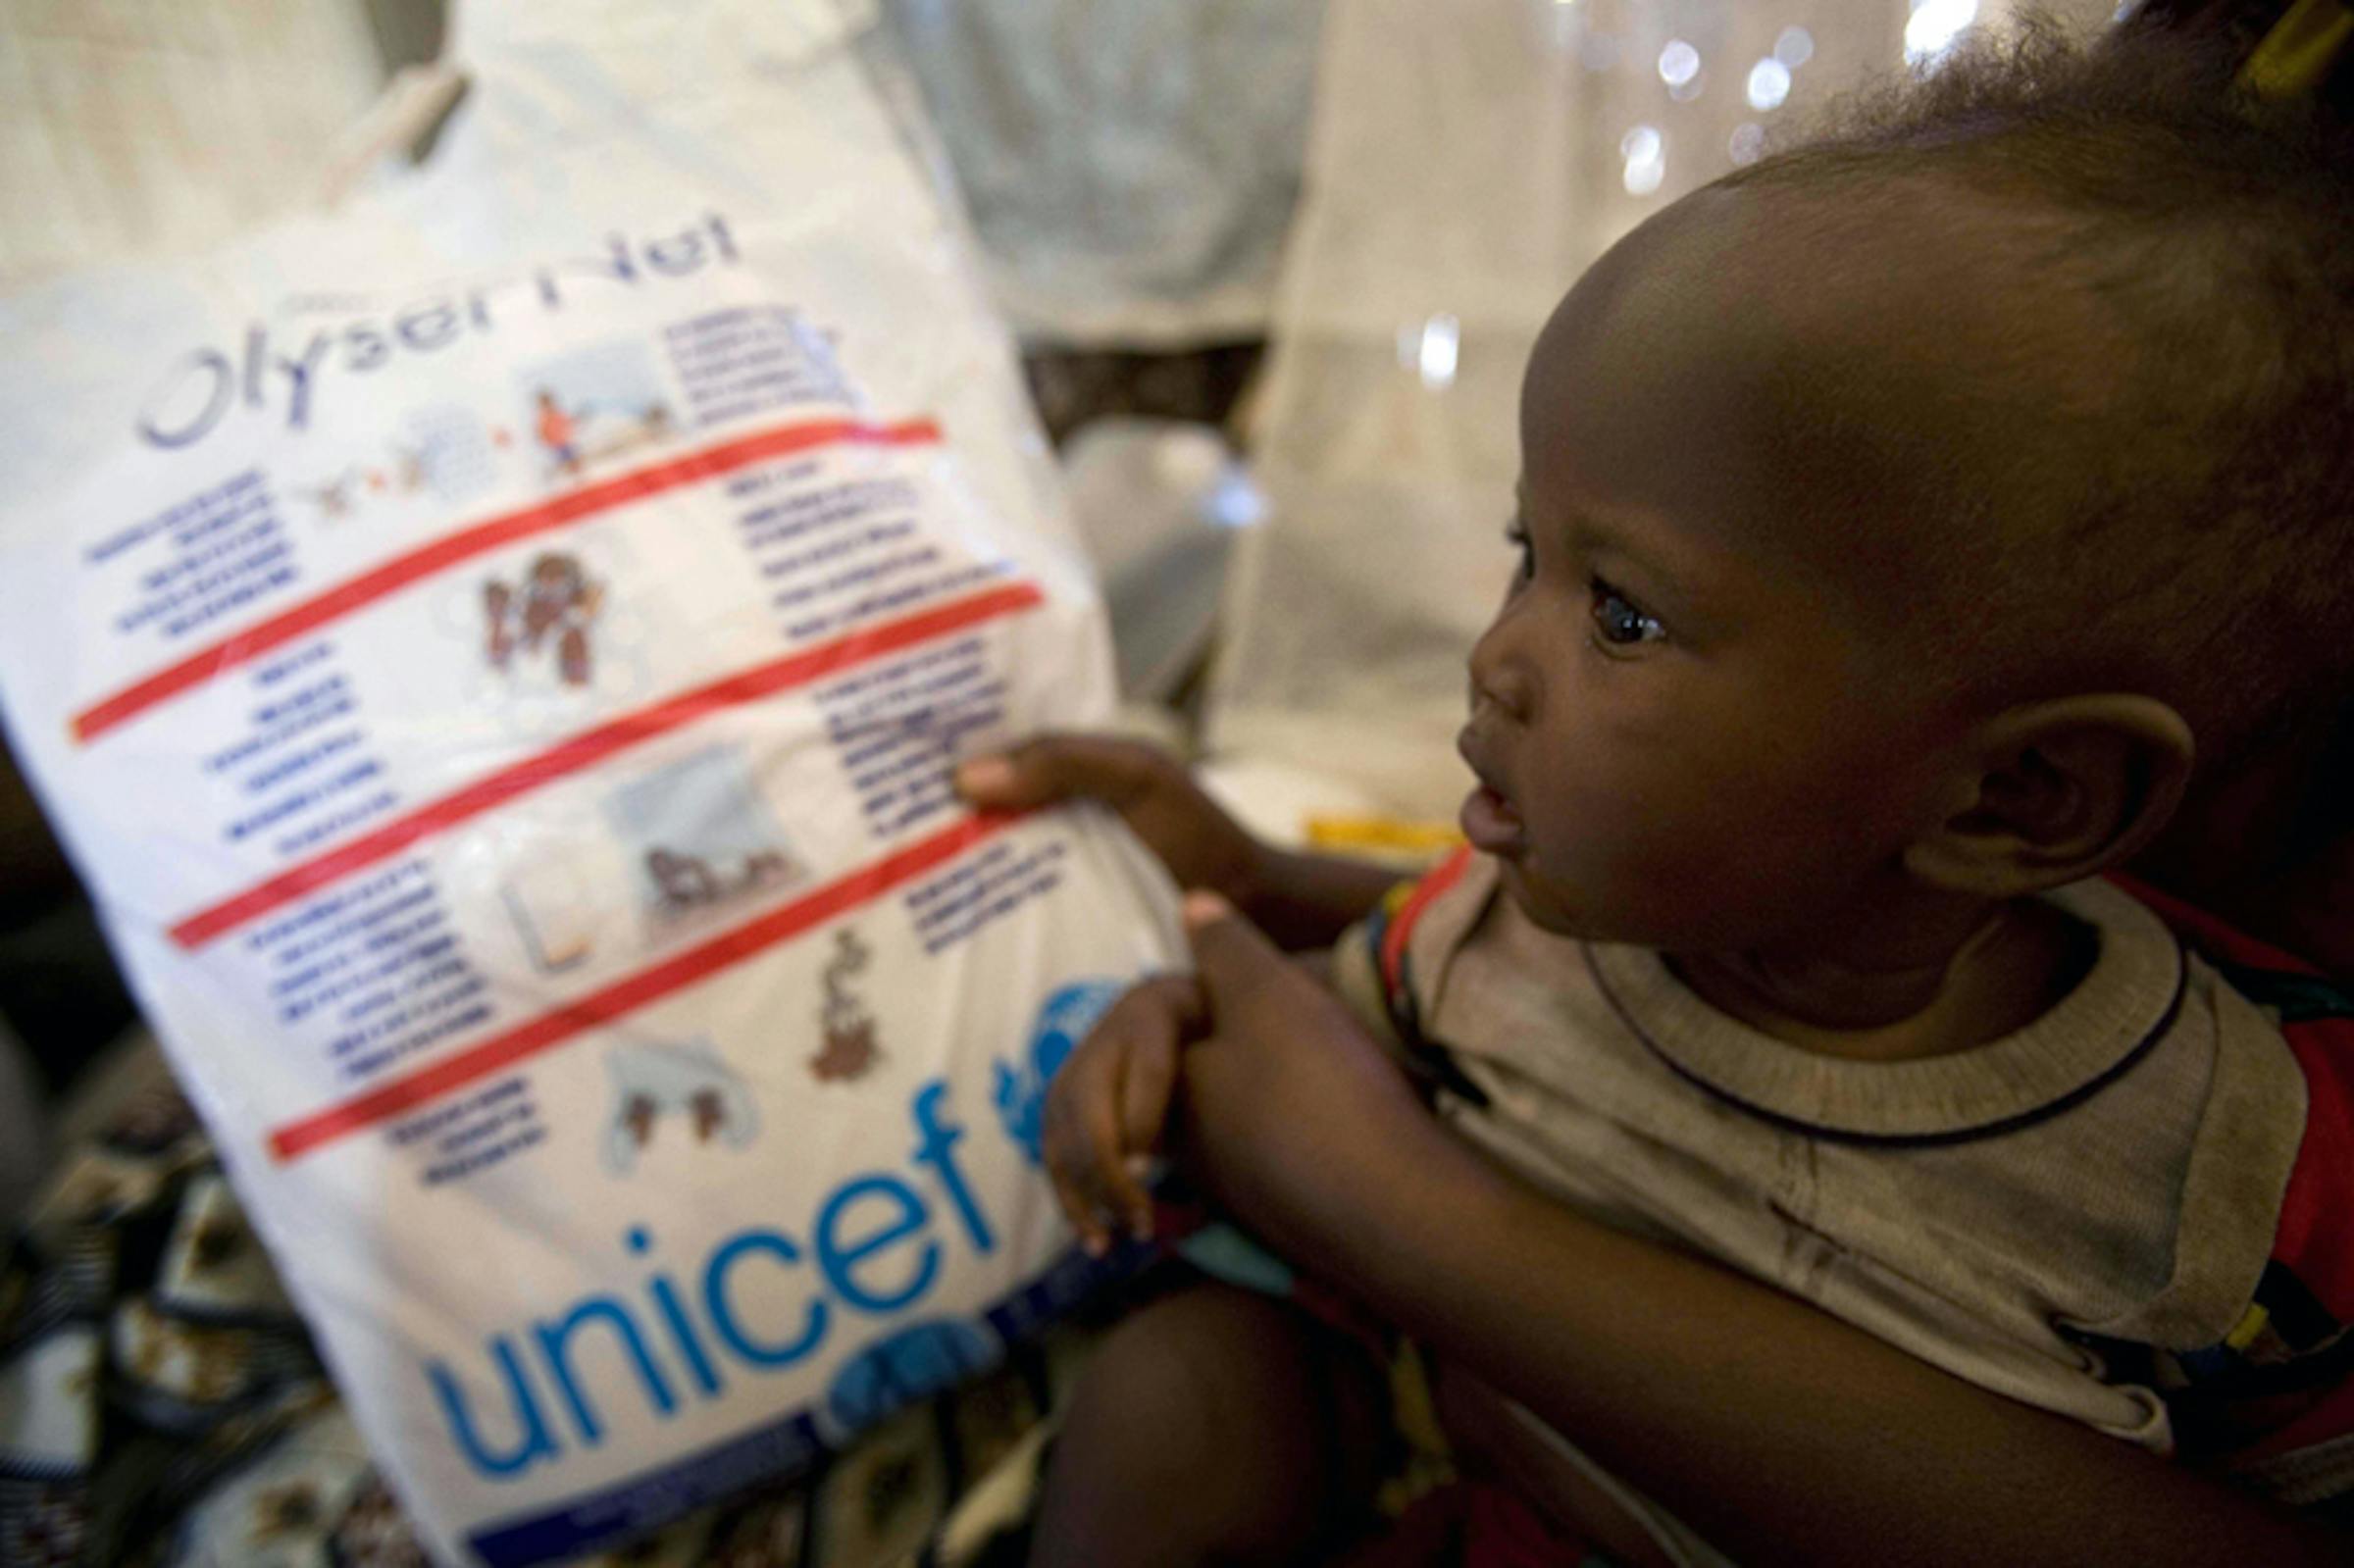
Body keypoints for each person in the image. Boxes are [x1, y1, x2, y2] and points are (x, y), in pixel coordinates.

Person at [956, 9, 2354, 1565]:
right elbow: (1328, 1031)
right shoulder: (1520, 929)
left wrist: (1368, 1184)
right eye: (1522, 557)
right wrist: (1208, 982)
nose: (1493, 658)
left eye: (1621, 611)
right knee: (1182, 1397)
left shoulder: (2236, 1181)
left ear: (2014, 798)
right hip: (1428, 1461)